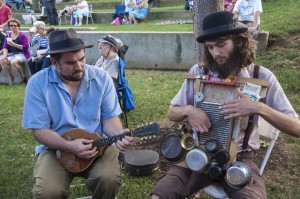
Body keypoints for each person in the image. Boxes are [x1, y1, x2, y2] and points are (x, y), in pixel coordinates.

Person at [151, 11, 300, 199]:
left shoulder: (261, 76)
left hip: (241, 157)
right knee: (161, 194)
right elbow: (172, 112)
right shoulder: (198, 73)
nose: (216, 53)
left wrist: (258, 107)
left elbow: (296, 128)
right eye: (210, 47)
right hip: (199, 153)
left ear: (238, 41)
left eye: (221, 45)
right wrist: (189, 110)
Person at [22, 28, 132, 199]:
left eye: (82, 59)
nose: (79, 66)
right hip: (56, 148)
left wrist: (118, 134)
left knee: (108, 179)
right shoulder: (37, 84)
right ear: (55, 63)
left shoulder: (102, 78)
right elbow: (39, 130)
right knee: (47, 192)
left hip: (99, 146)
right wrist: (68, 146)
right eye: (71, 63)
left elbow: (110, 118)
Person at [0, 18, 30, 85]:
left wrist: (14, 44)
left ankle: (22, 79)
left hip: (22, 54)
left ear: (18, 26)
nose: (13, 27)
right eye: (11, 25)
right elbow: (5, 47)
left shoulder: (22, 35)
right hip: (13, 54)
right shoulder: (8, 35)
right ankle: (11, 78)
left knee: (14, 62)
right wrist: (5, 55)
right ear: (9, 27)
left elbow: (25, 47)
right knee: (2, 61)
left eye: (15, 25)